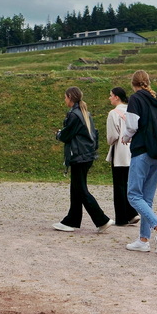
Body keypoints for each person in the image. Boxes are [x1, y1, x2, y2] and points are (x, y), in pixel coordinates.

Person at [122, 70, 157, 254]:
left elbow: (132, 125)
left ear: (133, 83)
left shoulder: (136, 99)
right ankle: (143, 240)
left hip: (142, 150)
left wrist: (125, 137)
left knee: (134, 195)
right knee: (146, 198)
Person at [53, 87, 113, 233]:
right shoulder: (85, 113)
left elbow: (67, 135)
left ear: (69, 97)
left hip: (79, 156)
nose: (64, 100)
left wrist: (59, 134)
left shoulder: (74, 115)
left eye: (65, 97)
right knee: (76, 188)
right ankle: (71, 220)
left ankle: (102, 220)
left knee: (80, 189)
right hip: (86, 155)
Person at [105, 87, 138, 226]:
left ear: (117, 97)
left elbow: (112, 136)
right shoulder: (133, 111)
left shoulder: (113, 113)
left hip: (120, 152)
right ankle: (131, 213)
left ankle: (122, 217)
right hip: (134, 151)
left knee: (119, 185)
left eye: (111, 95)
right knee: (130, 184)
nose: (109, 98)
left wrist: (111, 141)